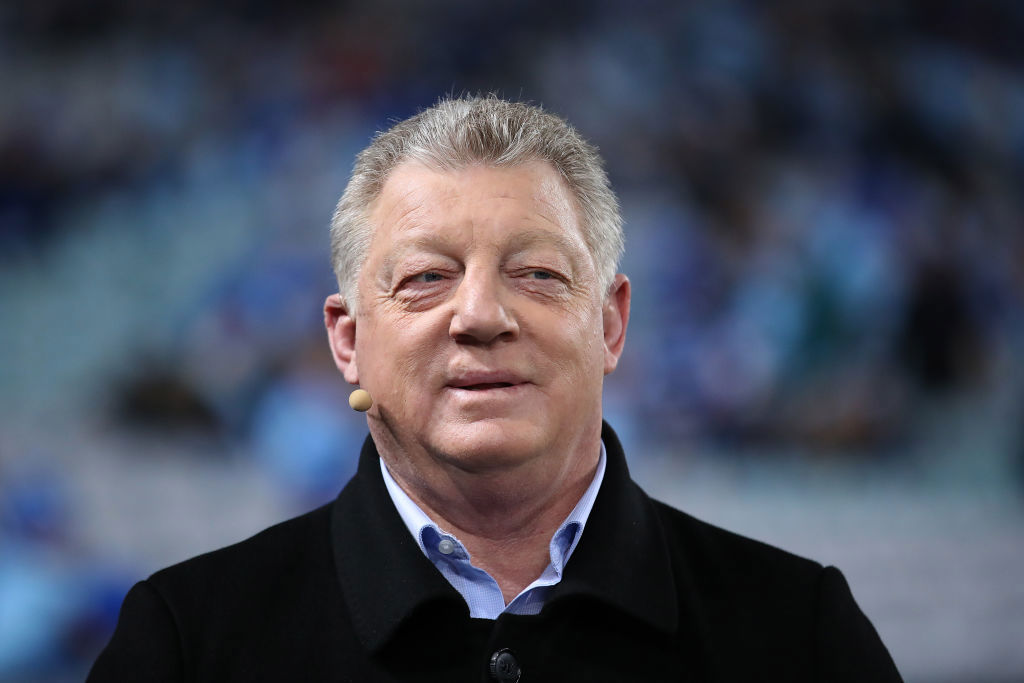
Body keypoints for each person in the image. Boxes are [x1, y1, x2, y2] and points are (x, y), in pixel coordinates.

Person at [88, 96, 902, 682]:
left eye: (539, 273)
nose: (479, 315)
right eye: (426, 277)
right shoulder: (186, 642)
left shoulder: (803, 634)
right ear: (349, 342)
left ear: (611, 326)